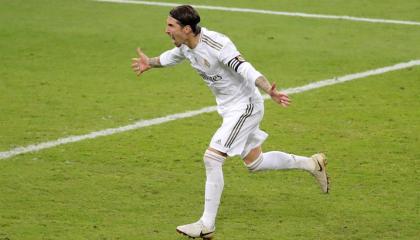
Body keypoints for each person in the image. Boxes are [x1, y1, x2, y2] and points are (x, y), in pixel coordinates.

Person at [131, 5, 329, 239]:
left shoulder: (217, 44)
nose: (166, 31)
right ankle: (312, 164)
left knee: (212, 158)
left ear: (186, 29)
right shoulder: (186, 46)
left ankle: (207, 224)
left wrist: (269, 90)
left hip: (245, 106)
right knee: (255, 163)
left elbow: (244, 68)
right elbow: (170, 57)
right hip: (230, 109)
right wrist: (149, 63)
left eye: (170, 26)